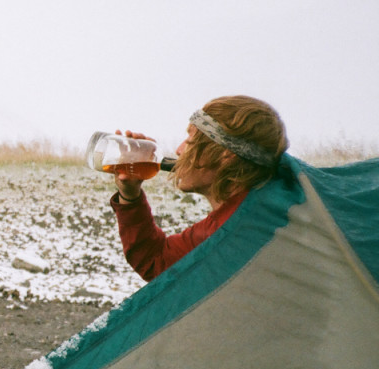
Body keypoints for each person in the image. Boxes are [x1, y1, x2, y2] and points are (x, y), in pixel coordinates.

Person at [110, 95, 288, 281]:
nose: (179, 150)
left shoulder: (233, 232)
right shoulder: (251, 211)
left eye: (191, 139)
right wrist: (130, 194)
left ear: (225, 155)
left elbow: (156, 262)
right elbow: (157, 259)